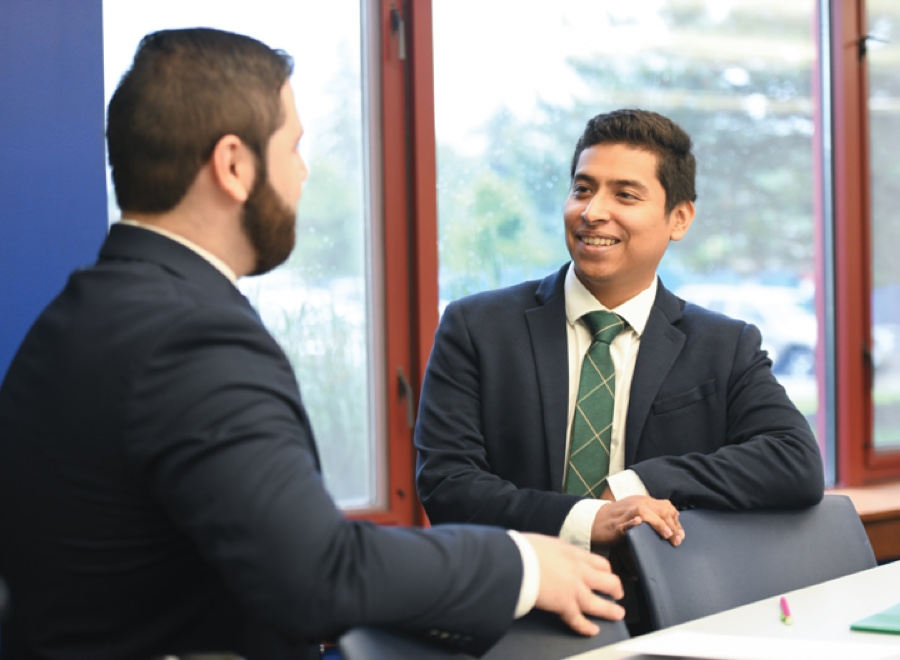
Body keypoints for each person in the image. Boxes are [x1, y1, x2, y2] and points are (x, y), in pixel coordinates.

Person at [0, 28, 626, 660]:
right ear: (235, 165)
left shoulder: (77, 316)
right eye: (294, 147)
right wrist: (523, 564)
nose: (303, 173)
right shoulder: (191, 339)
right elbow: (317, 575)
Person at [415, 109, 825, 561]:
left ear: (680, 219)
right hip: (517, 601)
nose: (592, 212)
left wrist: (639, 484)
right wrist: (590, 521)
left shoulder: (725, 346)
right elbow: (448, 485)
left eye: (625, 195)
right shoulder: (477, 327)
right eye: (582, 190)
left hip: (665, 607)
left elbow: (794, 462)